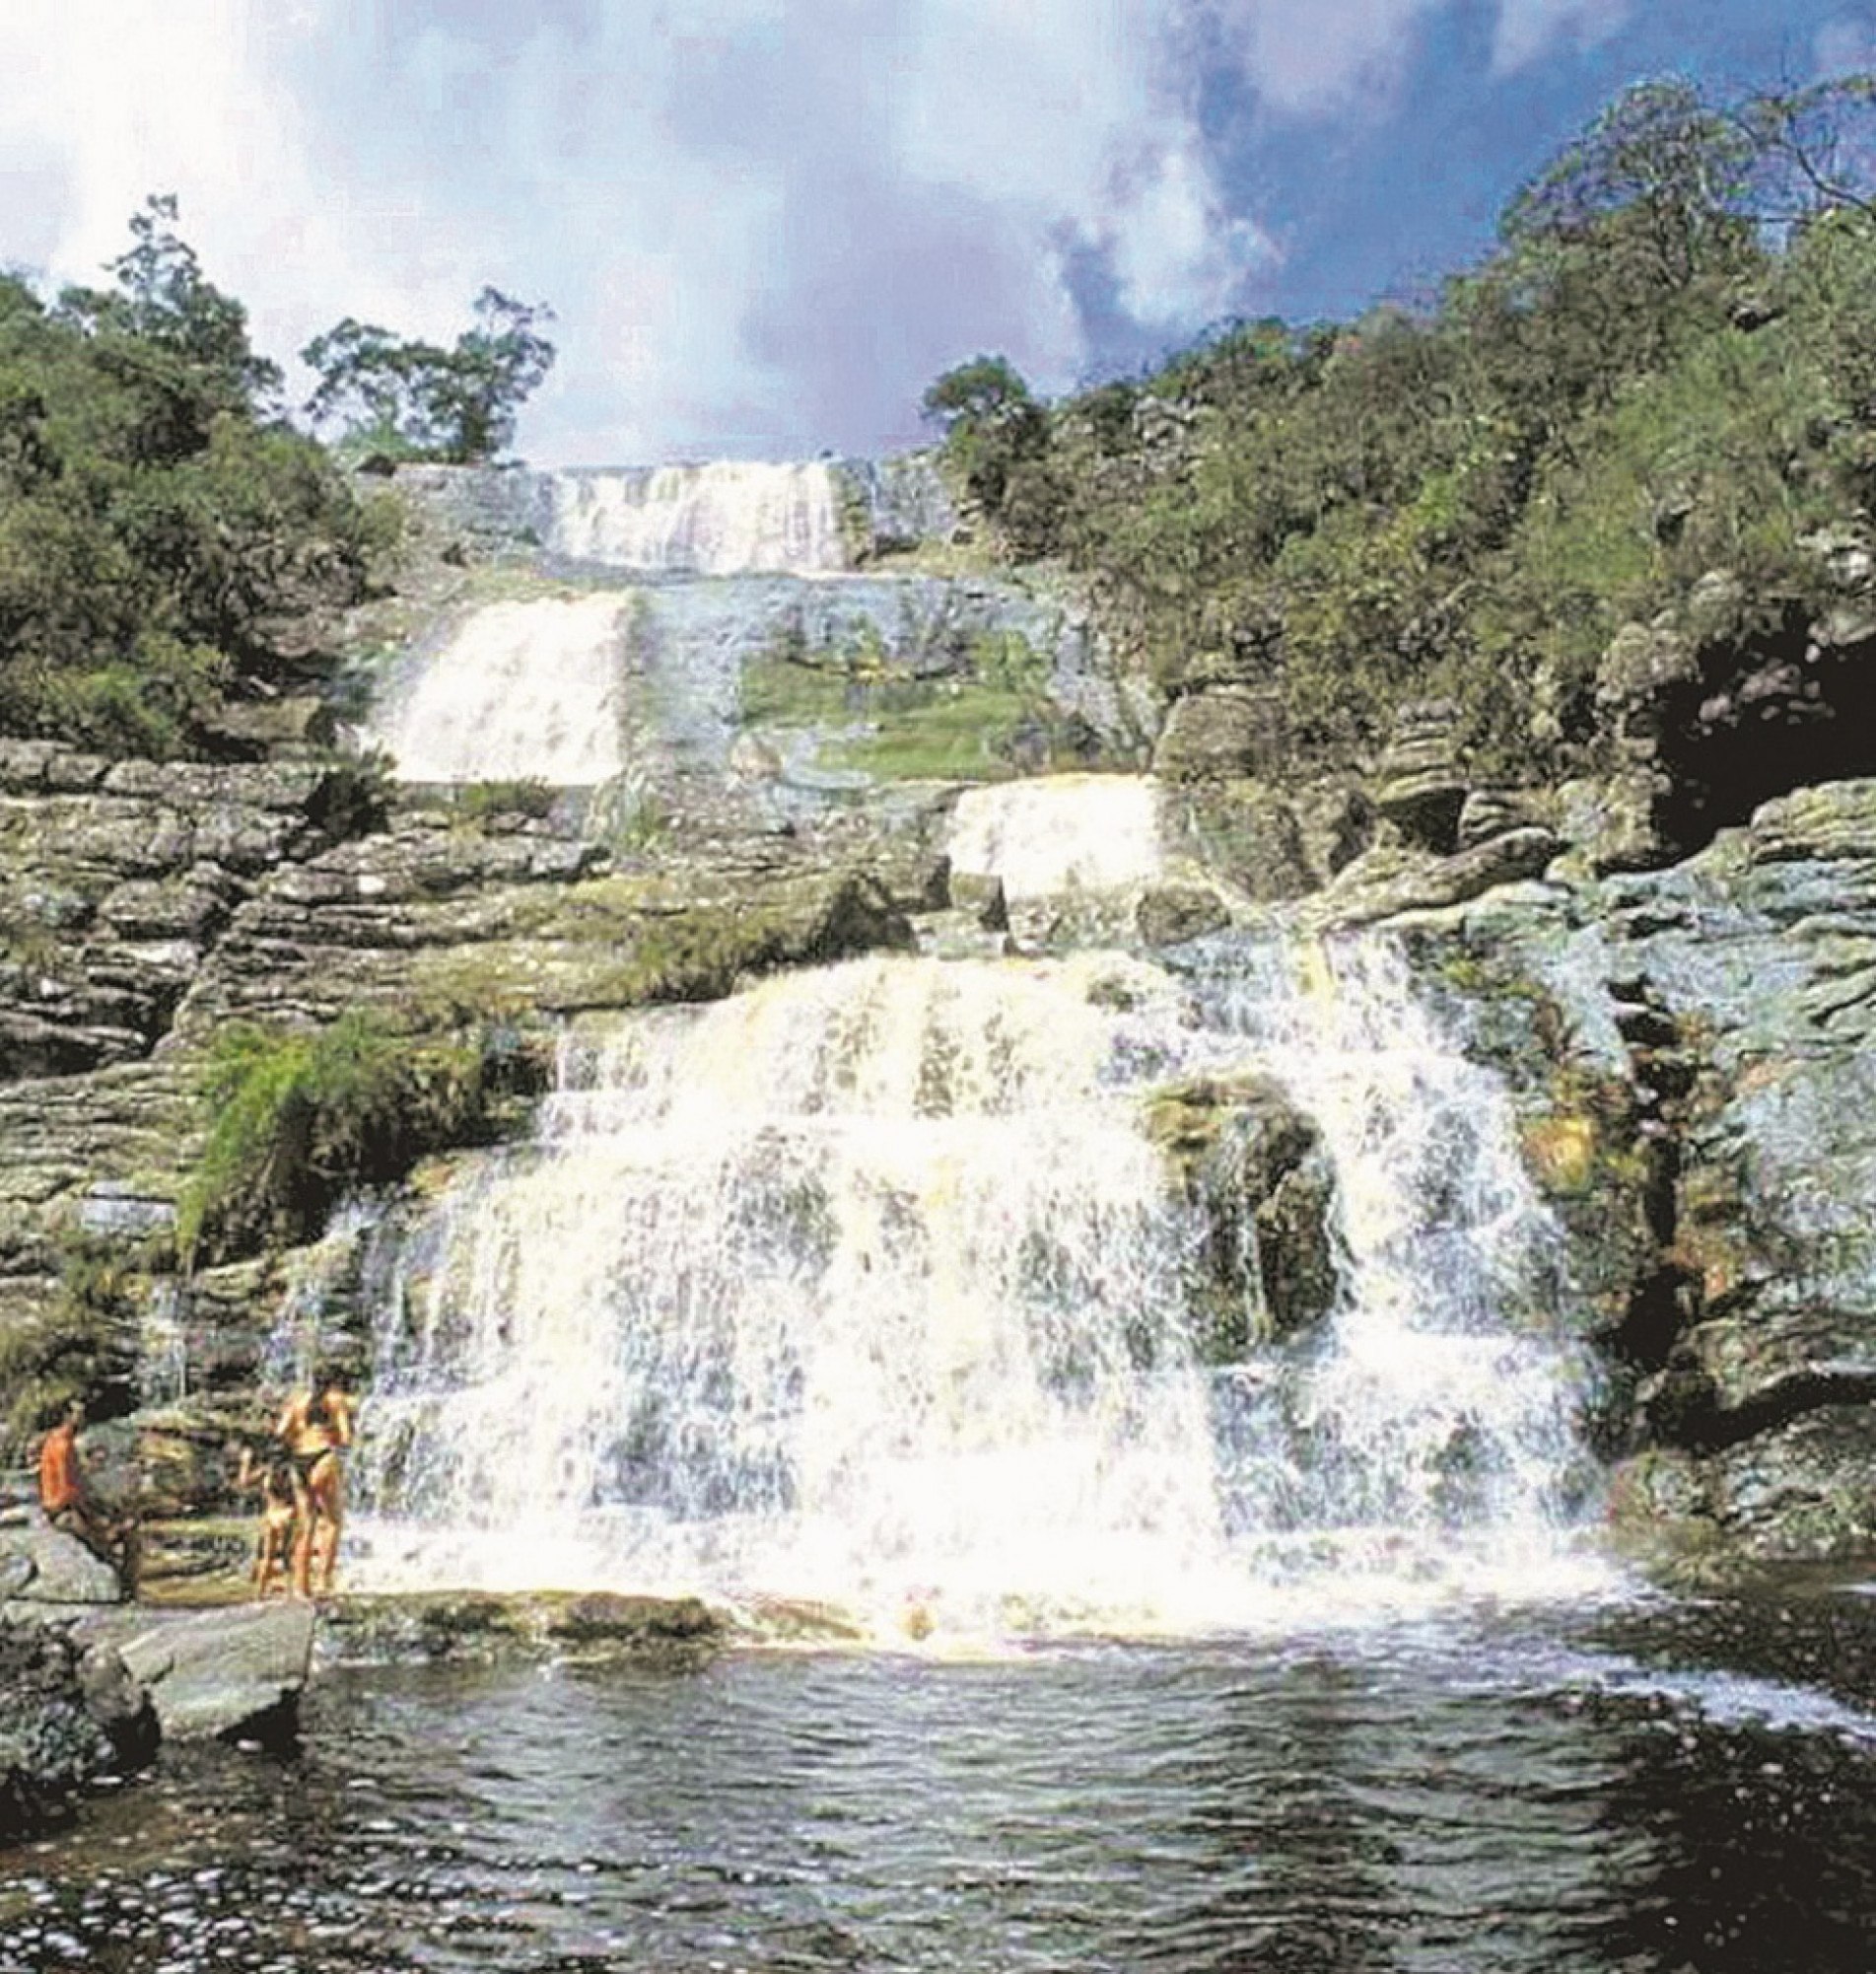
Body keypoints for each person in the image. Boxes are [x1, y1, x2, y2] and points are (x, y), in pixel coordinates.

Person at [36, 1398, 138, 1589]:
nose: (82, 1418)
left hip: (66, 1506)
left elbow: (77, 1482)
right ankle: (124, 1583)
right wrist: (94, 1512)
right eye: (78, 1414)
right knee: (112, 1536)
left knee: (117, 1525)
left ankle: (125, 1581)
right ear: (67, 1417)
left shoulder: (62, 1442)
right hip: (63, 1510)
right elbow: (67, 1490)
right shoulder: (61, 1446)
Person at [274, 1368, 357, 1598]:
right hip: (322, 1457)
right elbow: (346, 1436)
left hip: (298, 1461)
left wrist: (297, 1440)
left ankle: (301, 1587)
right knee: (332, 1521)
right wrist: (332, 1437)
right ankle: (323, 1581)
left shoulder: (298, 1402)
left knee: (306, 1524)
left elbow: (281, 1431)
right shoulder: (335, 1400)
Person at [232, 1437, 299, 1597]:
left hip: (271, 1515)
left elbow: (243, 1482)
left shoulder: (266, 1472)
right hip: (288, 1514)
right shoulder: (292, 1473)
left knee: (266, 1557)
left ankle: (260, 1593)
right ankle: (290, 1592)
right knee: (288, 1557)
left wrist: (245, 1462)